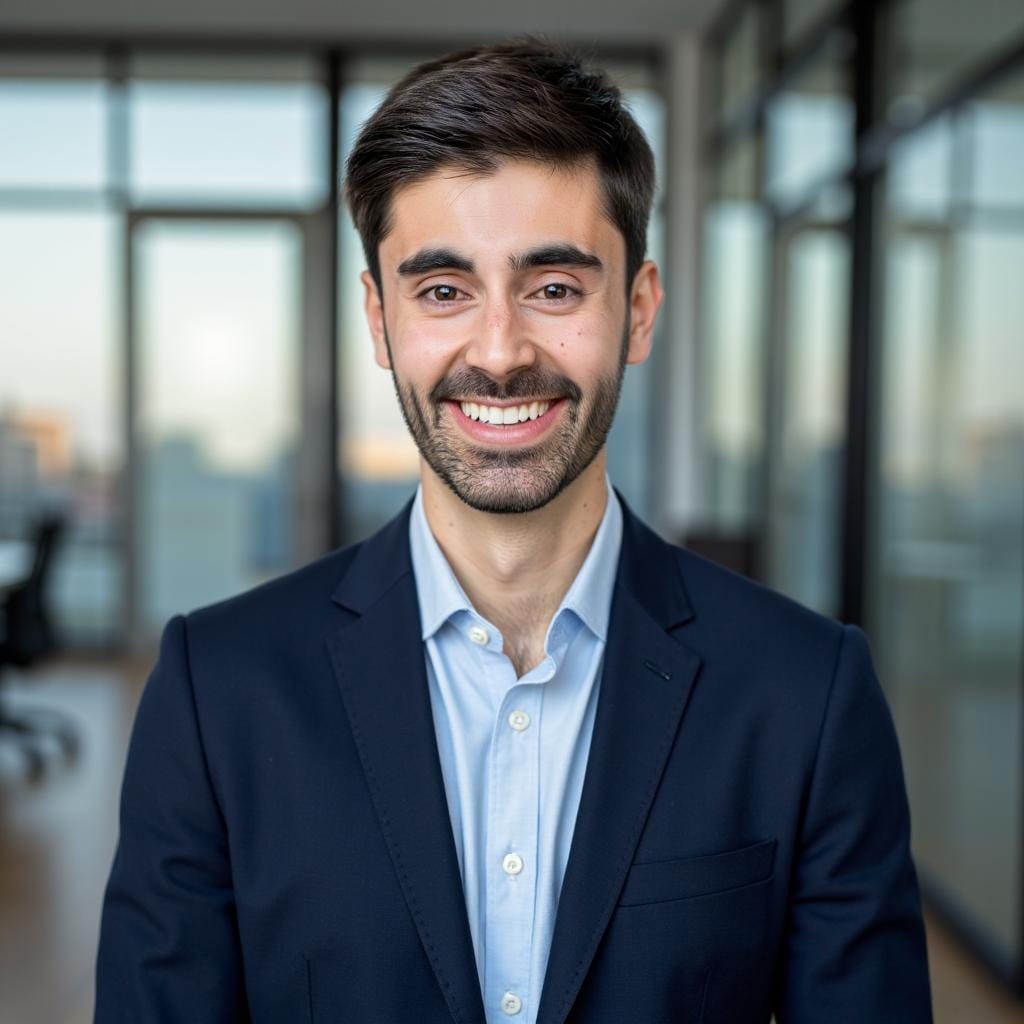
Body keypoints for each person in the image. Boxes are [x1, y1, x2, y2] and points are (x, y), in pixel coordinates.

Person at [95, 40, 933, 1024]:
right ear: (379, 319)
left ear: (639, 309)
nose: (498, 353)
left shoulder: (806, 695)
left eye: (554, 287)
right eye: (443, 291)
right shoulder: (217, 692)